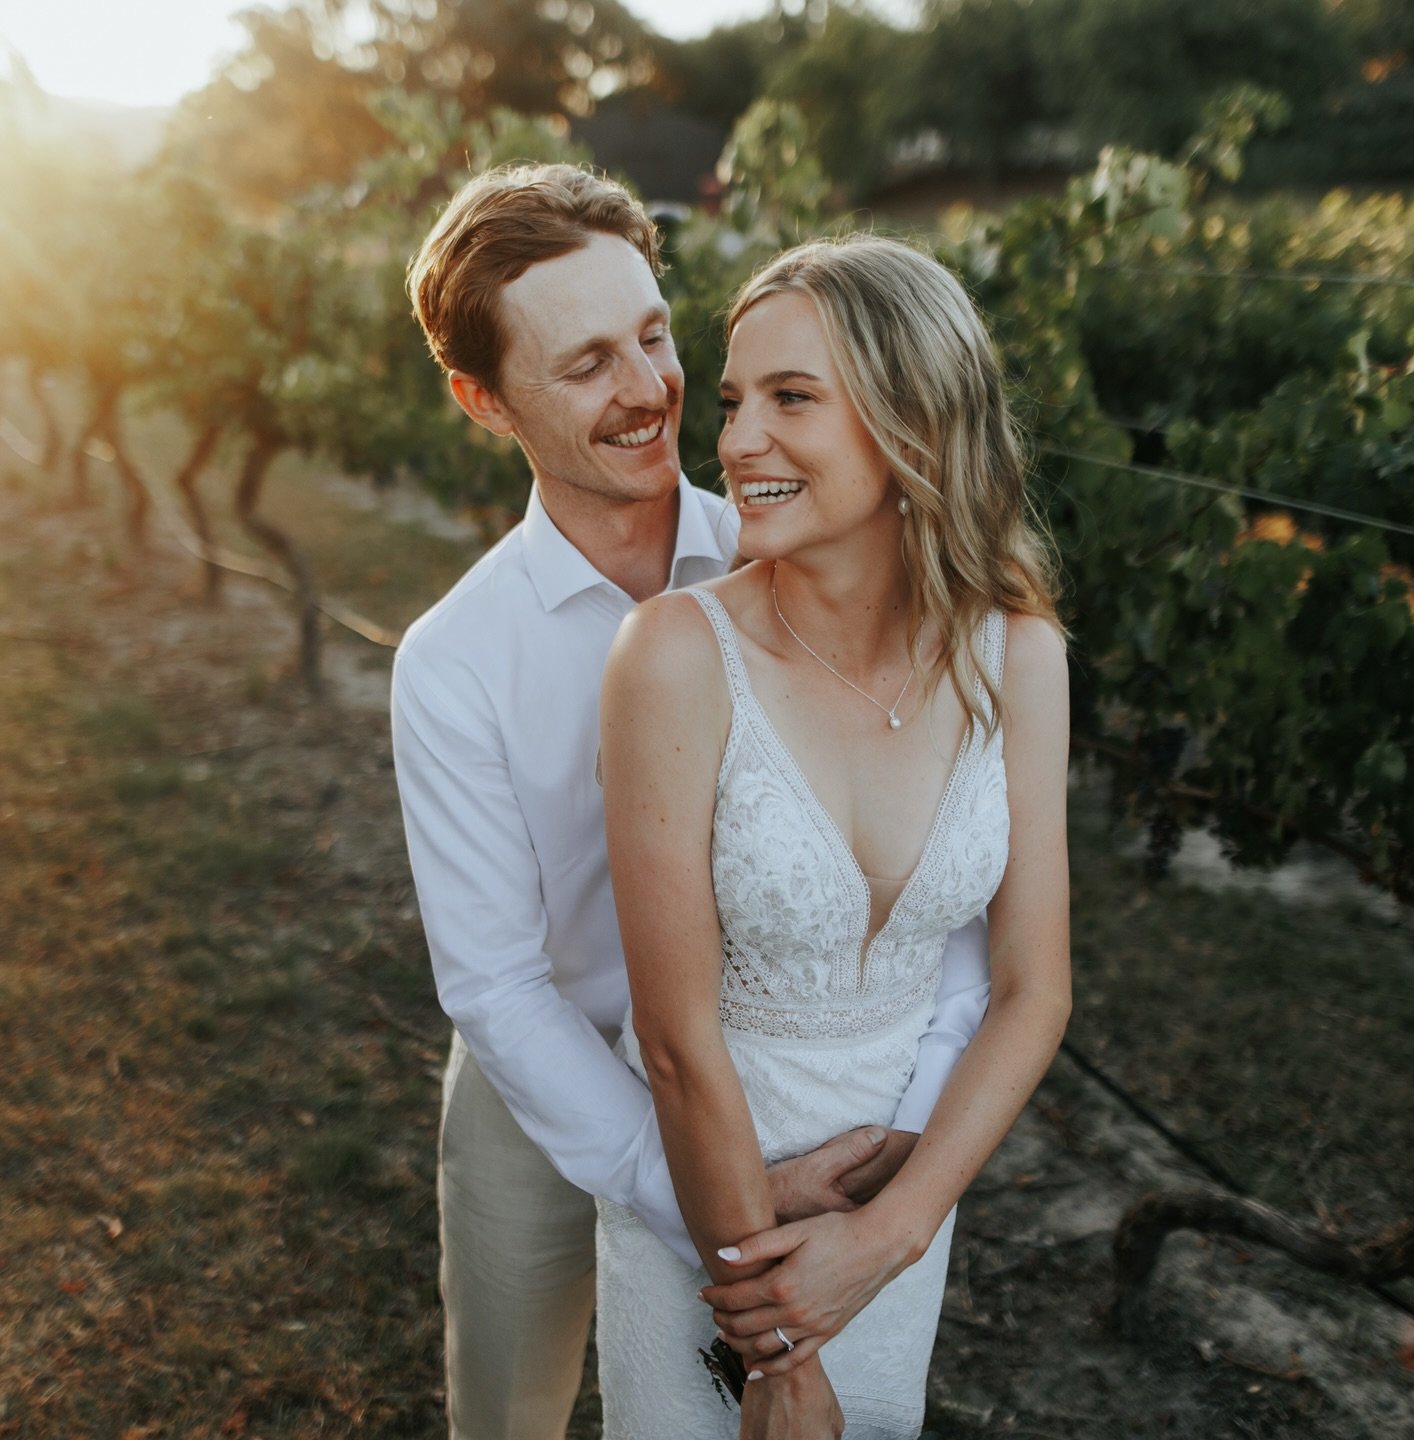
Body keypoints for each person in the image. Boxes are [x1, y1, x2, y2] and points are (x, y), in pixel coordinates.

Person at [391, 166, 994, 1440]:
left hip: (788, 1088)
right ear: (482, 398)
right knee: (509, 1414)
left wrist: (877, 1141)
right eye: (589, 362)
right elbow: (498, 984)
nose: (650, 388)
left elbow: (937, 853)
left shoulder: (799, 554)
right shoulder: (453, 662)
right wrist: (697, 1190)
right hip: (553, 1102)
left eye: (657, 336)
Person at [596, 234, 1072, 1438]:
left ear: (914, 421)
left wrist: (887, 1238)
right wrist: (776, 1349)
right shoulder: (674, 656)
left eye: (791, 398)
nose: (736, 437)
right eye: (736, 398)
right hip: (710, 1208)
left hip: (900, 1203)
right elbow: (674, 1038)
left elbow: (1034, 991)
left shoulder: (1020, 655)